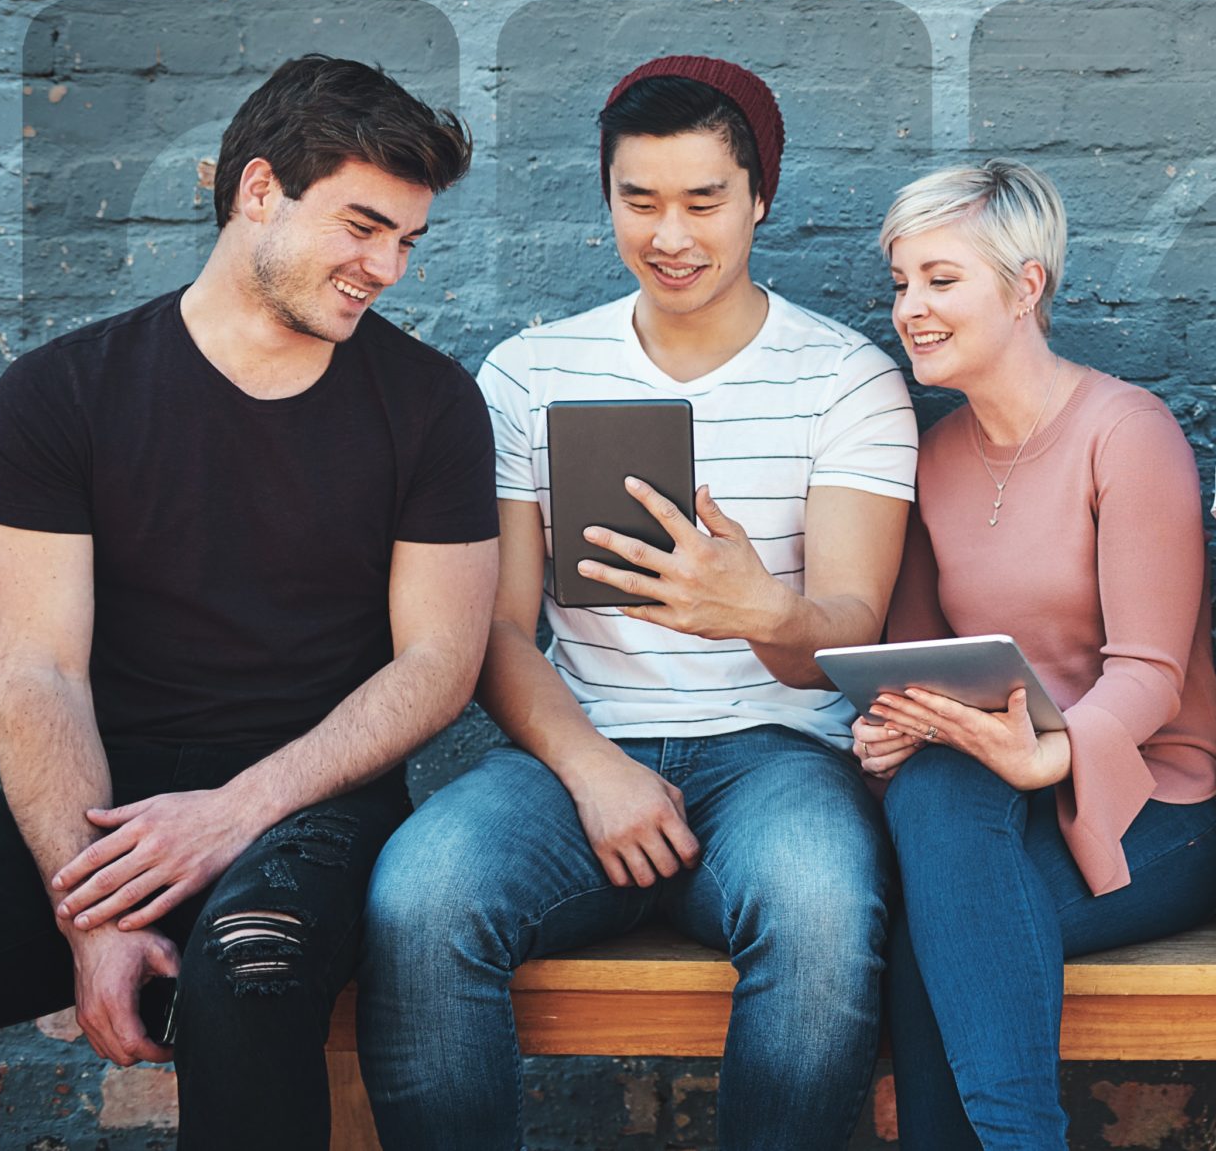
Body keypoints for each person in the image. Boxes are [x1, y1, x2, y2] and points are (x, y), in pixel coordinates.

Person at [357, 57, 917, 1151]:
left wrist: (761, 608)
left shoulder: (844, 378)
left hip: (776, 757)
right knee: (418, 899)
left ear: (760, 196)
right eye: (639, 199)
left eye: (705, 201)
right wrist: (594, 768)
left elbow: (846, 637)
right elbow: (499, 633)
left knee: (821, 910)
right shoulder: (529, 372)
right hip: (574, 749)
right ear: (605, 192)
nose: (671, 234)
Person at [0, 56, 494, 1149]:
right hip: (95, 807)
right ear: (256, 191)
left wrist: (237, 808)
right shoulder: (62, 392)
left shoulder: (430, 405)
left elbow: (438, 662)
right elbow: (35, 669)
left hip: (311, 807)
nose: (386, 266)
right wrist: (89, 911)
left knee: (255, 972)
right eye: (362, 226)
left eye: (406, 242)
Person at [853, 159, 1216, 1150]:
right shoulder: (931, 455)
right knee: (935, 803)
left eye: (940, 279)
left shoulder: (1126, 431)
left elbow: (1151, 674)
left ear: (1026, 287)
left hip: (1149, 799)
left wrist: (1049, 757)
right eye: (900, 282)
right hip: (987, 795)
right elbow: (913, 657)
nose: (910, 308)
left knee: (946, 933)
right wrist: (893, 724)